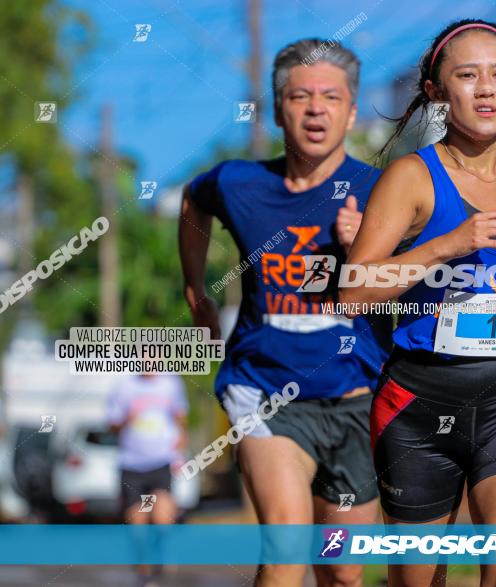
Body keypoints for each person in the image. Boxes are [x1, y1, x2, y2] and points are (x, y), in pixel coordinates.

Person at [340, 19, 496, 587]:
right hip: (417, 408)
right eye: (468, 75)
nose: (486, 89)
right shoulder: (411, 178)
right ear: (436, 92)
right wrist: (448, 244)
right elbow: (354, 288)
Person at [178, 39, 391, 587]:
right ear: (278, 110)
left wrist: (371, 252)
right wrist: (195, 289)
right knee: (288, 551)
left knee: (343, 571)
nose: (316, 108)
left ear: (351, 109)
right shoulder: (239, 183)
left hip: (357, 400)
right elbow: (193, 200)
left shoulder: (385, 192)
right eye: (301, 96)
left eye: (331, 96)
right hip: (264, 392)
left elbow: (421, 290)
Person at [107, 372, 188, 587]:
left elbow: (179, 417)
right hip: (131, 464)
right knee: (138, 524)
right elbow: (111, 424)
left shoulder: (171, 383)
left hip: (161, 461)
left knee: (162, 516)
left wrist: (180, 445)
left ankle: (161, 549)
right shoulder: (124, 386)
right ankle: (144, 577)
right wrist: (125, 421)